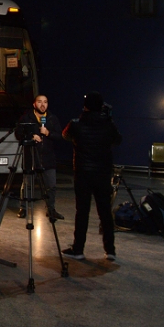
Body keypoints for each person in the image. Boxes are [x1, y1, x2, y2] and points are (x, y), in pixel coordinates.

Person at [61, 91, 123, 261]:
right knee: (105, 212)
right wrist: (108, 119)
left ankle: (78, 249)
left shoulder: (76, 124)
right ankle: (110, 251)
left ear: (85, 106)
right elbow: (118, 140)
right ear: (101, 106)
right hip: (102, 173)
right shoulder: (108, 125)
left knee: (82, 212)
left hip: (82, 174)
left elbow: (65, 135)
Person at [14, 94, 64, 220]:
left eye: (45, 102)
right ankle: (23, 208)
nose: (43, 105)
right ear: (34, 104)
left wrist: (48, 133)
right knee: (27, 185)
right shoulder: (27, 117)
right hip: (31, 158)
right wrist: (31, 136)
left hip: (48, 158)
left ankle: (51, 209)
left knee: (51, 186)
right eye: (40, 102)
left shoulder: (52, 118)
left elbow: (60, 136)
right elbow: (18, 134)